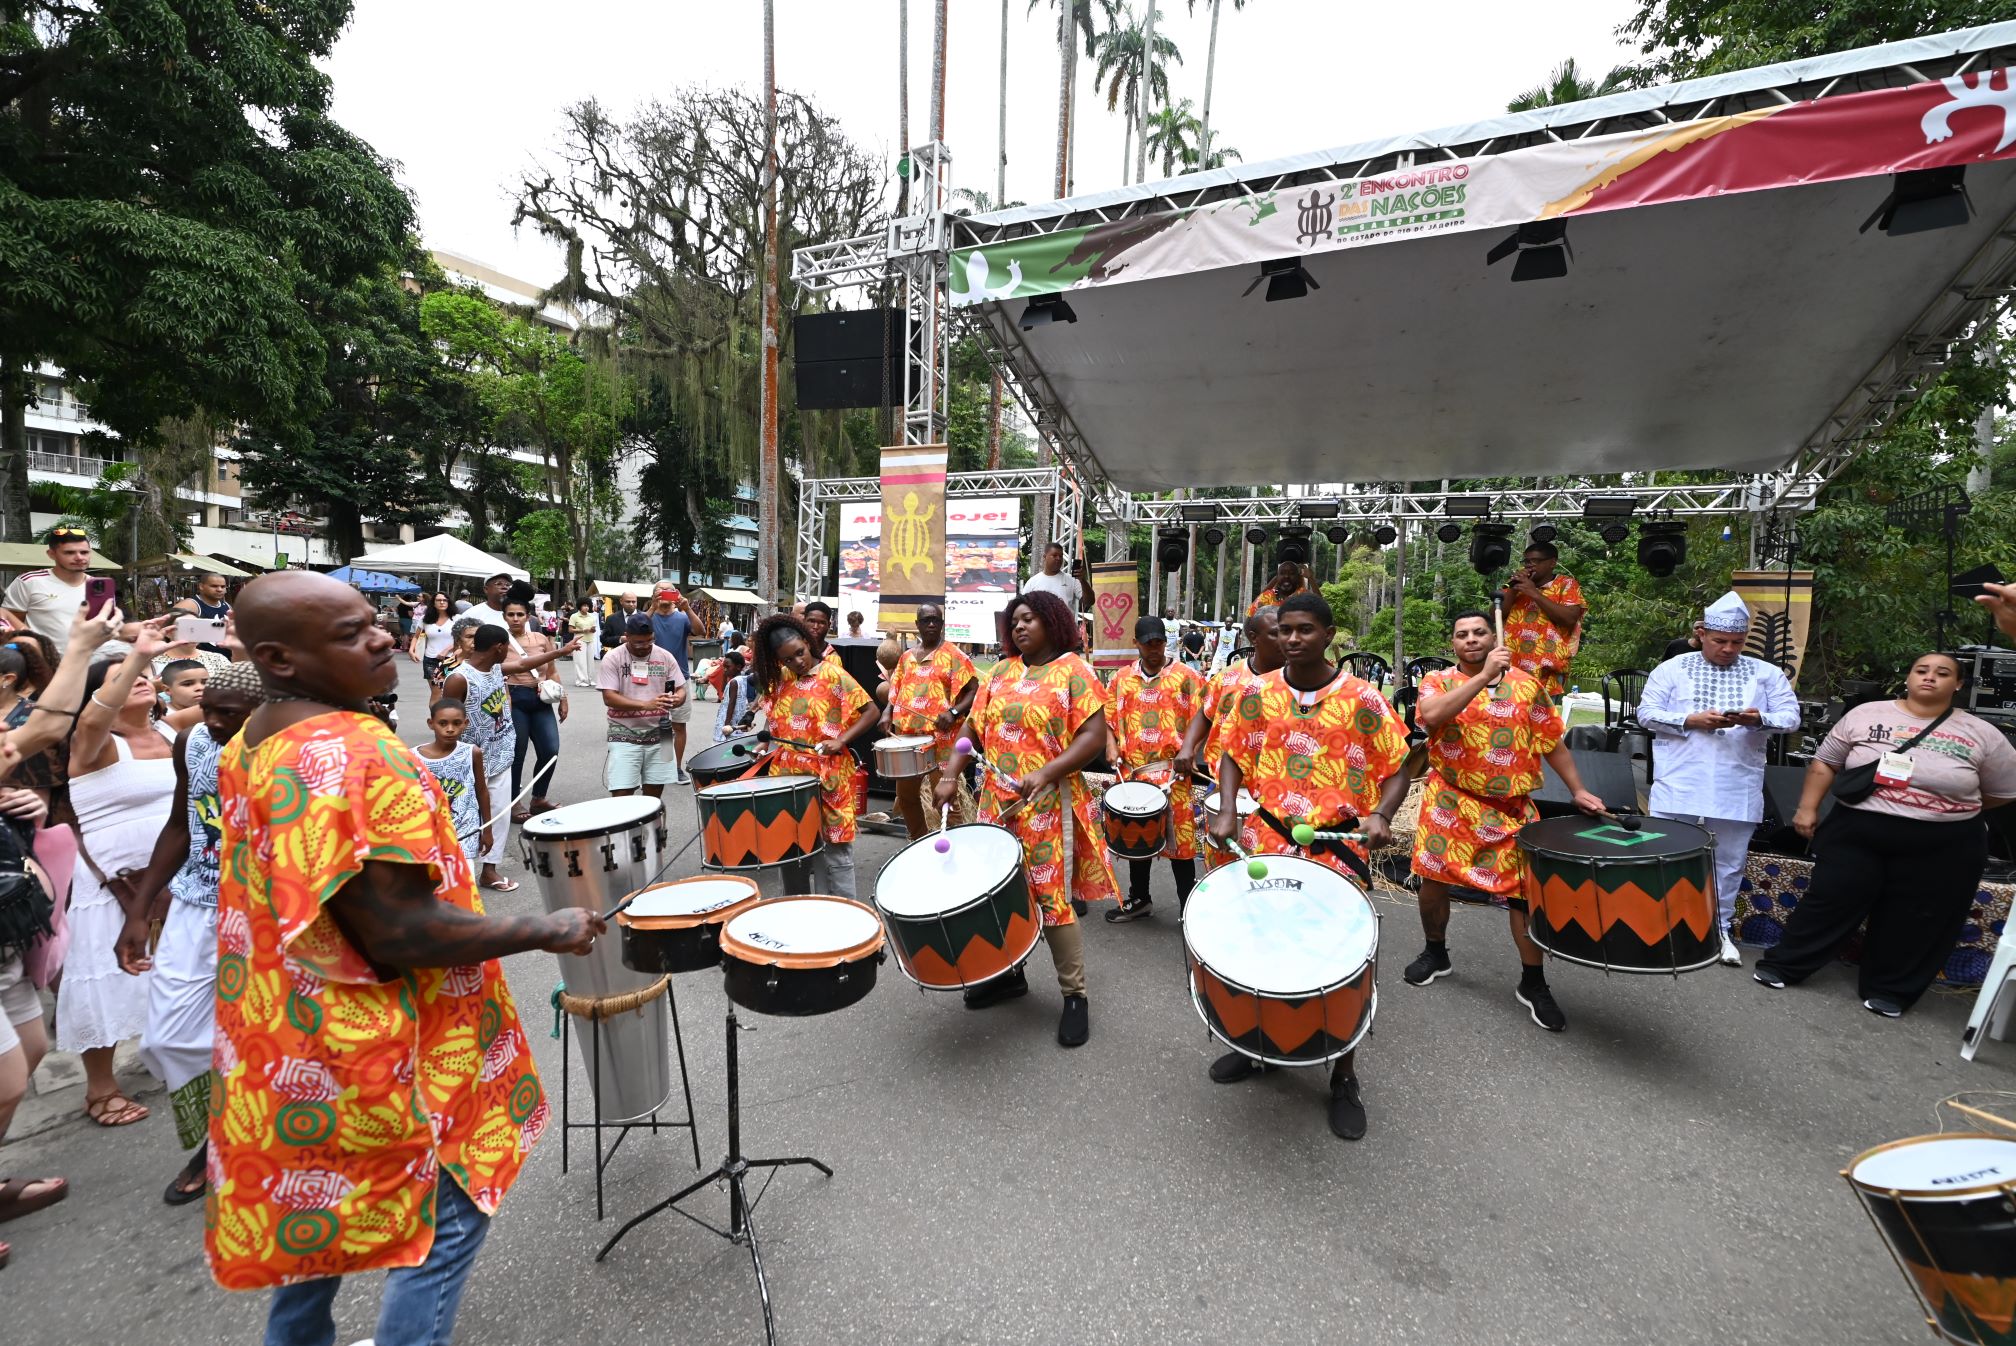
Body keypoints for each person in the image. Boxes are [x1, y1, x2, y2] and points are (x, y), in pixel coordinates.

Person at [209, 571, 597, 1341]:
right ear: (279, 659)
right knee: (448, 1220)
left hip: (288, 1042)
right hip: (390, 1054)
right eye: (351, 633)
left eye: (375, 621)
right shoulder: (353, 752)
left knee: (312, 1232)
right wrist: (547, 929)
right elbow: (399, 932)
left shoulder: (255, 737)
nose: (384, 637)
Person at [1208, 591, 1410, 1140]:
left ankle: (1343, 1074)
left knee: (1337, 963)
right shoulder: (1256, 693)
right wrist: (1226, 809)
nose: (1292, 639)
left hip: (1334, 851)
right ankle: (1257, 1047)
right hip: (1267, 842)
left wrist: (1381, 813)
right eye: (1284, 630)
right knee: (1260, 946)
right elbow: (1231, 753)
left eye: (1304, 630)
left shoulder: (1363, 698)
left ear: (1328, 635)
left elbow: (1398, 765)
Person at [1754, 652, 2016, 1016]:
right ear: (1908, 677)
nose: (1929, 677)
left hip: (1944, 843)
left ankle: (1891, 989)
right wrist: (1807, 808)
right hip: (1859, 830)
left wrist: (1942, 807)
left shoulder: (1982, 733)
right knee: (1830, 898)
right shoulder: (1866, 714)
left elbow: (2003, 791)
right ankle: (1785, 964)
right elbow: (1826, 763)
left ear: (1958, 684)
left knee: (1918, 914)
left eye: (1942, 673)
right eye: (1921, 670)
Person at [1400, 610, 1605, 1031]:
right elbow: (1432, 717)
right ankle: (1435, 951)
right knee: (1433, 880)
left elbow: (1552, 743)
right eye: (1462, 634)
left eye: (1479, 632)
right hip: (1450, 800)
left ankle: (1533, 981)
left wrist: (1578, 790)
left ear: (1493, 638)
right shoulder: (1437, 682)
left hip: (1511, 807)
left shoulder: (1527, 686)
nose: (1471, 639)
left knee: (1523, 893)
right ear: (1453, 644)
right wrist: (1483, 677)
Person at [937, 590, 1114, 1047]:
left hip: (1048, 806)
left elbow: (1094, 736)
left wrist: (1047, 771)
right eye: (1014, 620)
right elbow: (971, 728)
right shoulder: (1000, 672)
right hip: (996, 805)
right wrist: (951, 775)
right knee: (998, 894)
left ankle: (1075, 997)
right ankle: (1009, 975)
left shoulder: (1074, 670)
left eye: (1029, 618)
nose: (1019, 626)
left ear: (1052, 622)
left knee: (1052, 900)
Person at [121, 661, 263, 1206]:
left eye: (228, 713)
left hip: (262, 914)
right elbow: (182, 823)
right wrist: (140, 909)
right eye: (208, 709)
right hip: (196, 902)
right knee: (168, 1038)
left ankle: (221, 1143)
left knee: (259, 1034)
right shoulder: (193, 741)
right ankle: (228, 1122)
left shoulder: (284, 754)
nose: (213, 721)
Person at [1635, 592, 1801, 965]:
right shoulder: (1673, 668)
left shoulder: (1765, 673)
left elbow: (1791, 717)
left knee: (1728, 861)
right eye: (1720, 641)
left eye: (1736, 643)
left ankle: (1718, 929)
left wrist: (1758, 719)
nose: (1728, 649)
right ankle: (1657, 926)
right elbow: (1646, 713)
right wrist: (1690, 720)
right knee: (1665, 853)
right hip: (1681, 776)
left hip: (1736, 780)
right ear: (1702, 634)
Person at [59, 618, 180, 1128]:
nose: (140, 679)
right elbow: (92, 719)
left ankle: (175, 1054)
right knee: (106, 976)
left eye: (145, 674)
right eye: (121, 678)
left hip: (174, 876)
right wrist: (136, 655)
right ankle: (100, 1088)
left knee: (177, 969)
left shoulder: (172, 731)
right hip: (113, 880)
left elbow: (238, 702)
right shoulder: (93, 742)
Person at [750, 614, 879, 902]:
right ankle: (797, 909)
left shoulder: (833, 674)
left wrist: (841, 740)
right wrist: (764, 742)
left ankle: (841, 911)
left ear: (807, 643)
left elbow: (871, 711)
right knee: (792, 850)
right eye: (788, 659)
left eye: (800, 652)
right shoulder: (779, 679)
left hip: (828, 774)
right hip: (787, 776)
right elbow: (775, 716)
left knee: (835, 850)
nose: (798, 662)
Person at [441, 624, 571, 893]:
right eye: (506, 648)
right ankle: (456, 875)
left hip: (500, 755)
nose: (509, 652)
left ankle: (489, 871)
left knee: (498, 816)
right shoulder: (459, 679)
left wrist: (561, 651)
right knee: (464, 816)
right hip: (469, 761)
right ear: (498, 647)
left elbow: (523, 663)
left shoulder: (495, 669)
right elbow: (445, 720)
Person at [1105, 615, 1206, 921]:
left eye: (1159, 643)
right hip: (1135, 774)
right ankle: (1140, 898)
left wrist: (1191, 752)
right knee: (1139, 837)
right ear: (1135, 643)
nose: (1154, 649)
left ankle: (1188, 909)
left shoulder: (1187, 677)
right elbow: (1106, 718)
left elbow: (1206, 717)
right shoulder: (1121, 679)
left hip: (1173, 773)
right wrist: (1111, 745)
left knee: (1181, 845)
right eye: (1147, 643)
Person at [1178, 606, 1285, 873]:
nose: (1286, 638)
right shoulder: (1229, 677)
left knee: (1272, 871)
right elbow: (1205, 714)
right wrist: (1188, 747)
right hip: (1226, 788)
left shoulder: (1298, 683)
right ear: (1254, 637)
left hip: (1277, 792)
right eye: (1276, 633)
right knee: (1224, 869)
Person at [881, 603, 977, 838]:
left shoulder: (955, 655)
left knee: (945, 798)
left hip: (941, 739)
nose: (931, 624)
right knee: (906, 797)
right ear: (917, 625)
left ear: (942, 624)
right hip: (907, 739)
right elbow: (895, 692)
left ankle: (955, 845)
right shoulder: (906, 657)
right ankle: (918, 840)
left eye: (936, 620)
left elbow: (974, 690)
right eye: (926, 620)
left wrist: (953, 712)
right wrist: (887, 712)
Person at [501, 596, 576, 821]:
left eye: (520, 614)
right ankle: (513, 802)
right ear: (504, 617)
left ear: (528, 616)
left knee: (550, 751)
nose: (515, 619)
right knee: (517, 753)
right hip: (514, 700)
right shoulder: (500, 641)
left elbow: (551, 671)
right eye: (511, 614)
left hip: (541, 699)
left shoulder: (541, 639)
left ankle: (539, 798)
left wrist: (563, 698)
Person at [598, 613, 689, 799]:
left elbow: (681, 688)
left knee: (655, 791)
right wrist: (645, 705)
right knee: (622, 791)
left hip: (662, 731)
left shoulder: (665, 656)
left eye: (650, 640)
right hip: (623, 730)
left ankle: (652, 820)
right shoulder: (613, 657)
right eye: (639, 642)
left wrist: (677, 699)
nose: (645, 646)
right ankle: (626, 820)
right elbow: (609, 697)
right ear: (627, 636)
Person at [1498, 540, 1585, 699]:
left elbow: (1570, 619)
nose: (1529, 566)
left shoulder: (1566, 584)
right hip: (1510, 666)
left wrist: (1534, 593)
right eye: (1527, 561)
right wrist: (1513, 590)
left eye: (1535, 561)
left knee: (1543, 715)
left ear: (1552, 562)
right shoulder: (1516, 586)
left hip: (1547, 669)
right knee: (1507, 713)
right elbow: (1495, 614)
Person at [414, 697, 491, 870]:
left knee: (466, 877)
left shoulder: (472, 753)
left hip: (465, 829)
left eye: (456, 723)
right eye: (443, 723)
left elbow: (482, 791)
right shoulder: (413, 758)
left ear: (465, 723)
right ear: (431, 723)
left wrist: (487, 829)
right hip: (429, 832)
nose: (450, 729)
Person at [2, 526, 96, 654]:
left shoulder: (99, 586)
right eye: (69, 552)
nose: (79, 557)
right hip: (43, 661)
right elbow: (9, 623)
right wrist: (34, 651)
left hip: (92, 660)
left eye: (84, 552)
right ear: (51, 554)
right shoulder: (30, 581)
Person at [648, 585, 695, 782]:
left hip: (678, 678)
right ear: (654, 594)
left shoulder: (682, 617)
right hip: (653, 678)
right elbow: (634, 630)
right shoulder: (649, 616)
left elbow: (700, 631)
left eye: (670, 590)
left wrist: (688, 608)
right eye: (661, 591)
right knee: (657, 724)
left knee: (678, 725)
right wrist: (652, 607)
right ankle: (663, 764)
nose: (665, 594)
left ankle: (675, 768)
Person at [169, 570, 233, 654]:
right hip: (198, 658)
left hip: (225, 658)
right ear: (201, 586)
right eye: (214, 586)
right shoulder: (190, 604)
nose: (219, 589)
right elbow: (168, 630)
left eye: (223, 586)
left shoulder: (227, 606)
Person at [1023, 542, 1082, 614]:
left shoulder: (1072, 579)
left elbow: (1089, 601)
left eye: (1061, 556)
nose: (1058, 558)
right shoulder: (1032, 582)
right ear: (1044, 557)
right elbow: (1023, 605)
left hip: (1066, 621)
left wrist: (1083, 581)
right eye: (1054, 555)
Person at [412, 592, 457, 683]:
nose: (442, 602)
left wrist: (447, 650)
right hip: (430, 659)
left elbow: (462, 639)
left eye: (445, 600)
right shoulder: (425, 619)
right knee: (436, 689)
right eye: (438, 600)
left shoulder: (457, 618)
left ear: (449, 602)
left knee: (448, 689)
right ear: (433, 603)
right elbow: (416, 636)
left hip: (451, 659)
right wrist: (411, 649)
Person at [716, 651, 753, 741]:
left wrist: (727, 724)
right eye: (724, 667)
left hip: (729, 722)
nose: (725, 669)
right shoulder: (743, 679)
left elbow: (731, 703)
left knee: (724, 745)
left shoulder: (734, 682)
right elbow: (723, 689)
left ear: (738, 667)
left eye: (727, 667)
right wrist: (725, 675)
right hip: (738, 721)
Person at [799, 600, 842, 669]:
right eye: (811, 621)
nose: (815, 627)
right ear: (804, 621)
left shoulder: (833, 659)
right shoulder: (792, 649)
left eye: (822, 622)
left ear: (829, 625)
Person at [567, 598, 600, 686]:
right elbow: (570, 630)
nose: (586, 608)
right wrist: (582, 630)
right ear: (580, 606)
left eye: (588, 606)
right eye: (584, 606)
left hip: (590, 640)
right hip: (579, 640)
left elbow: (593, 629)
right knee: (580, 661)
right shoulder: (574, 616)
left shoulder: (592, 617)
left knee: (590, 661)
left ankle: (590, 679)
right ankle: (581, 681)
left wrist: (593, 630)